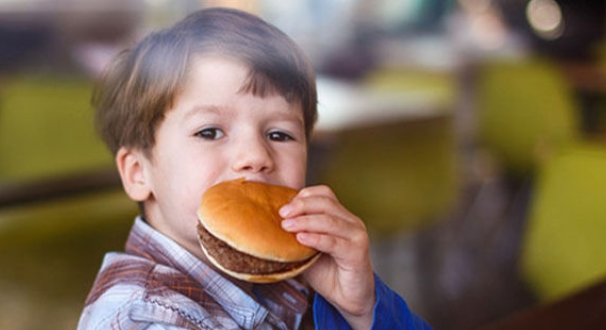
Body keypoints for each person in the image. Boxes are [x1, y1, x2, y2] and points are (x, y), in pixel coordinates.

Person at [78, 7, 432, 330]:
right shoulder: (143, 316)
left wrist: (361, 310)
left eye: (279, 134)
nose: (255, 155)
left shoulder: (292, 277)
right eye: (210, 131)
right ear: (138, 172)